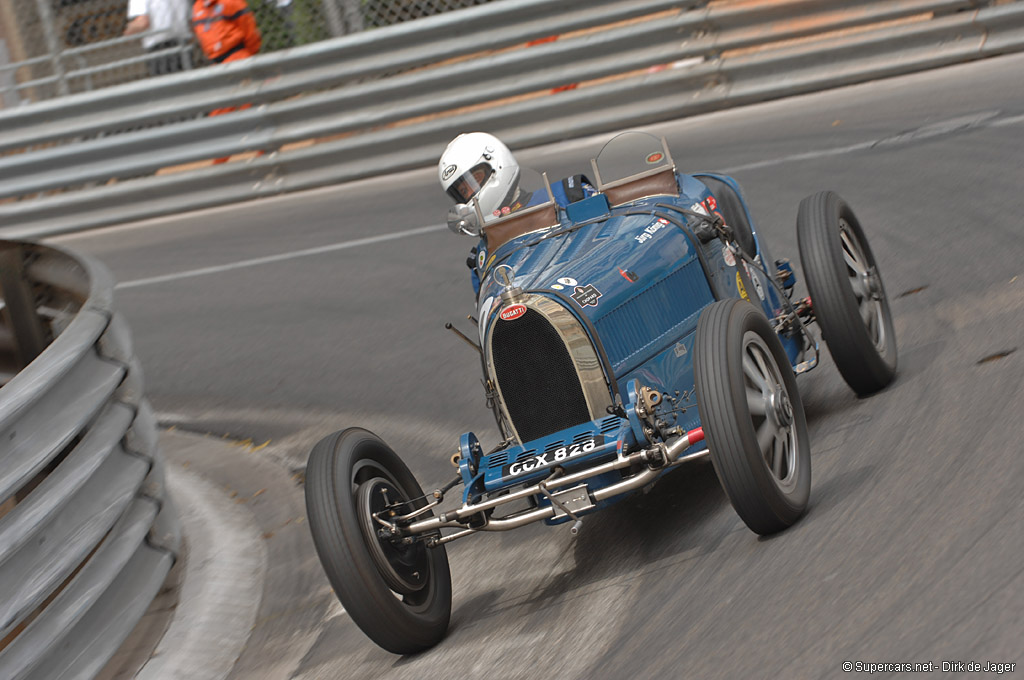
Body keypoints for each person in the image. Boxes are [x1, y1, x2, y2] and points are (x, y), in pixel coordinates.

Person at [439, 132, 593, 294]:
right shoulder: (481, 257)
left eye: (475, 180)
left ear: (496, 164)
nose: (470, 192)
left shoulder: (569, 194)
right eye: (463, 191)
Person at [124, 0, 191, 76]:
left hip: (159, 48)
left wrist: (129, 30)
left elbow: (143, 22)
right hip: (183, 44)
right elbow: (189, 19)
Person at [191, 0, 261, 66]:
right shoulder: (197, 7)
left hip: (238, 59)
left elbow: (250, 32)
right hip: (215, 64)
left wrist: (248, 56)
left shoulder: (230, 2)